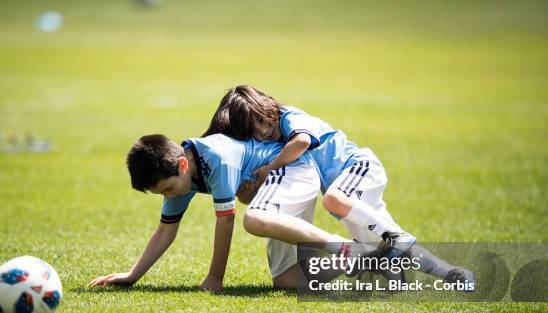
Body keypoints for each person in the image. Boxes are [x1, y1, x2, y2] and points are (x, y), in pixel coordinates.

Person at [203, 85, 475, 284]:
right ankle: (449, 272)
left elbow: (302, 142)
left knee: (333, 200)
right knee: (379, 241)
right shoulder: (274, 138)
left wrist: (269, 169)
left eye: (263, 122)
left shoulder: (288, 116)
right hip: (348, 191)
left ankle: (394, 238)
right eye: (256, 131)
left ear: (268, 107)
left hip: (358, 168)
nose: (264, 132)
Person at [89, 134, 364, 292]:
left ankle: (345, 248)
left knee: (253, 219)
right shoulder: (180, 179)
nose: (169, 196)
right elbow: (165, 231)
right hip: (281, 186)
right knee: (287, 281)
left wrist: (215, 278)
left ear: (182, 165)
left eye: (168, 189)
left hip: (294, 171)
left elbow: (226, 220)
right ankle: (375, 270)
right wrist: (132, 275)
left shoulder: (215, 159)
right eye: (162, 193)